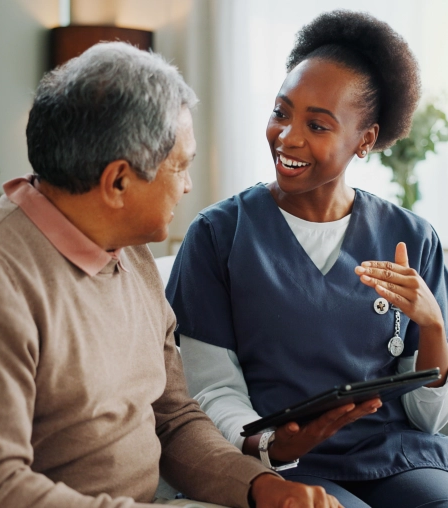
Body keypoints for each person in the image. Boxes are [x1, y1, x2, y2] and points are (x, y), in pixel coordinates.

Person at [0, 41, 350, 508]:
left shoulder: (130, 250)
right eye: (181, 166)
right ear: (119, 182)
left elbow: (173, 418)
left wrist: (260, 488)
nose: (188, 185)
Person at [166, 10, 448, 508]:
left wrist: (436, 328)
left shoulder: (412, 237)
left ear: (365, 139)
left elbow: (428, 416)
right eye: (281, 112)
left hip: (400, 456)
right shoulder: (218, 236)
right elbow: (209, 391)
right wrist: (268, 444)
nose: (288, 137)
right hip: (285, 463)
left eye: (316, 124)